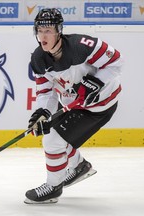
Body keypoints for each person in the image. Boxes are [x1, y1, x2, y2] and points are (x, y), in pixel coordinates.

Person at [25, 8, 123, 204]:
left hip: (98, 106)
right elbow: (46, 91)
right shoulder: (38, 59)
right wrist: (43, 112)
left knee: (52, 141)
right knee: (53, 136)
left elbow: (116, 60)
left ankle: (53, 187)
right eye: (40, 30)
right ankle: (79, 167)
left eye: (48, 31)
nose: (43, 35)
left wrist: (95, 82)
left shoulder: (82, 45)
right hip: (74, 104)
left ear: (59, 31)